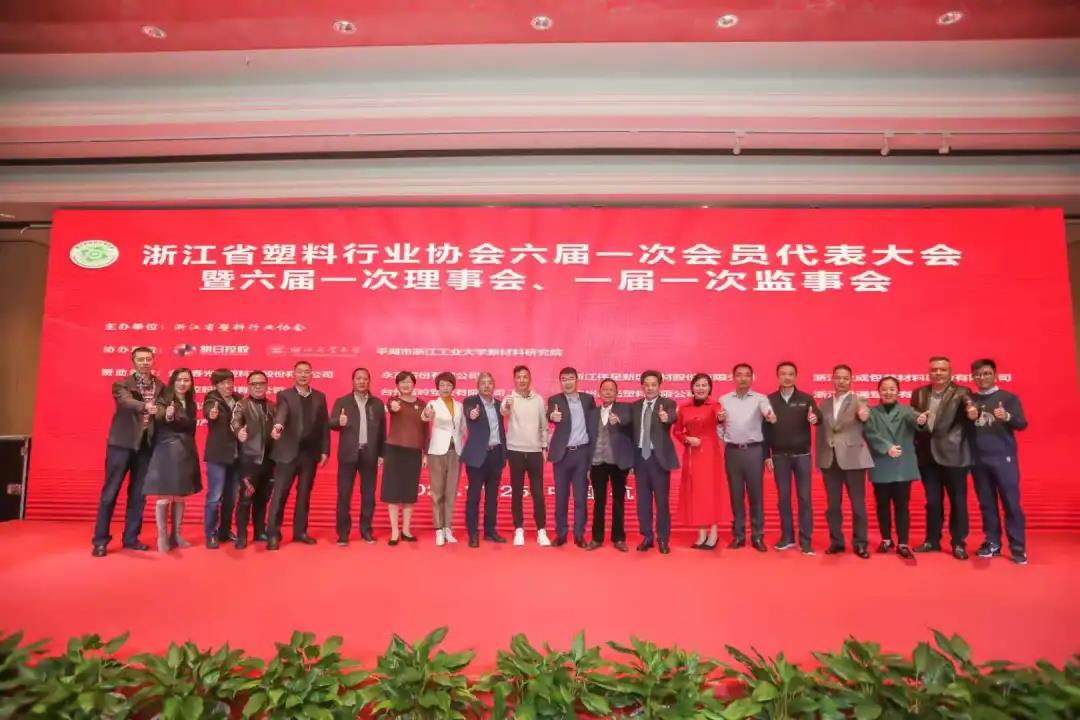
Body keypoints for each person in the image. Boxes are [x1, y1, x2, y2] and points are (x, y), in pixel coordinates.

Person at [92, 346, 165, 556]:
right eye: (140, 359)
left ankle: (131, 538)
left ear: (153, 360)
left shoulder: (160, 386)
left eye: (148, 359)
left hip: (145, 446)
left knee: (138, 496)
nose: (145, 362)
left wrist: (163, 411)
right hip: (121, 445)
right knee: (110, 493)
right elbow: (125, 402)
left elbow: (163, 407)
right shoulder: (121, 385)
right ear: (133, 362)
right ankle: (100, 541)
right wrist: (146, 406)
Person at [910, 356, 977, 560]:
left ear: (950, 372)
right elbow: (914, 420)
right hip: (927, 456)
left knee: (958, 501)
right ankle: (932, 540)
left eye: (942, 369)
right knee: (932, 502)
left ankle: (958, 543)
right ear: (929, 372)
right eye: (934, 370)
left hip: (954, 455)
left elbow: (970, 406)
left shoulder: (962, 392)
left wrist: (973, 412)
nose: (938, 373)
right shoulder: (919, 393)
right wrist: (917, 422)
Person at [968, 359, 1029, 565]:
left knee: (1011, 503)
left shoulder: (1009, 398)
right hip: (977, 460)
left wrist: (1008, 416)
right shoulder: (969, 400)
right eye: (978, 374)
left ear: (995, 375)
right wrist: (968, 417)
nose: (982, 377)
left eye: (986, 373)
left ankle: (1018, 547)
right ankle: (992, 543)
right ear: (973, 377)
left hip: (1003, 458)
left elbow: (1022, 424)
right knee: (986, 504)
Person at [266, 360, 329, 551]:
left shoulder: (320, 397)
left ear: (312, 374)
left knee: (304, 495)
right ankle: (273, 535)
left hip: (309, 454)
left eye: (307, 372)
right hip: (287, 453)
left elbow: (324, 426)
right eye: (300, 371)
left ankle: (300, 532)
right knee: (280, 494)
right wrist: (278, 426)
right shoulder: (285, 395)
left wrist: (325, 450)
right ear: (293, 374)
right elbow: (282, 413)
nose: (303, 375)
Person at [816, 364, 873, 559]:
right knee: (832, 506)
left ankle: (860, 543)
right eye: (838, 377)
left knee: (858, 505)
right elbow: (822, 431)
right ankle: (836, 542)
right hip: (829, 460)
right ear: (832, 379)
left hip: (853, 458)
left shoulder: (859, 400)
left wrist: (864, 414)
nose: (841, 381)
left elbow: (865, 414)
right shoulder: (823, 404)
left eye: (845, 378)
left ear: (851, 380)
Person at [718, 363, 776, 552]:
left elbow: (768, 413)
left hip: (754, 451)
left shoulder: (760, 398)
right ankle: (739, 536)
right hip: (732, 452)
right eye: (739, 375)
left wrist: (770, 415)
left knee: (755, 495)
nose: (743, 378)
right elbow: (719, 423)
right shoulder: (724, 399)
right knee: (736, 495)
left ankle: (757, 536)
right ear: (733, 377)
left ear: (752, 378)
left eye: (747, 375)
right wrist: (723, 434)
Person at [763, 361, 820, 555]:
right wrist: (766, 455)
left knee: (804, 498)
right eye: (783, 374)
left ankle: (806, 541)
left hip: (802, 456)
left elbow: (818, 417)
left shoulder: (806, 399)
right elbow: (764, 430)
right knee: (783, 498)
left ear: (796, 376)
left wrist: (815, 418)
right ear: (777, 376)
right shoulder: (769, 400)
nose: (787, 377)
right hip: (779, 457)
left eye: (790, 374)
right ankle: (787, 537)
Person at [143, 368, 202, 552]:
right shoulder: (164, 398)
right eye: (179, 380)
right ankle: (162, 537)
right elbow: (160, 415)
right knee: (164, 496)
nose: (183, 384)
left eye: (186, 380)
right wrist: (168, 415)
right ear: (173, 382)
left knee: (180, 495)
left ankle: (176, 535)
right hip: (167, 450)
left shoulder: (191, 403)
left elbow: (191, 428)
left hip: (186, 450)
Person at [863, 376, 920, 560]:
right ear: (878, 392)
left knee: (902, 506)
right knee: (882, 505)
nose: (888, 392)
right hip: (881, 463)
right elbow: (869, 433)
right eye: (884, 389)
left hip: (902, 465)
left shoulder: (907, 410)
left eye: (892, 389)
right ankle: (886, 539)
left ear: (898, 391)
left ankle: (903, 542)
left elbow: (917, 422)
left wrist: (921, 420)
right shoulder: (871, 413)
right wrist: (887, 447)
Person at [329, 367, 386, 546]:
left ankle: (366, 530)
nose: (362, 381)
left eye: (365, 378)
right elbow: (331, 422)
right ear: (353, 381)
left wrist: (382, 454)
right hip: (348, 454)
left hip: (370, 454)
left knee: (368, 495)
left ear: (369, 381)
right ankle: (343, 533)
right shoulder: (342, 401)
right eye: (358, 378)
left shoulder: (377, 404)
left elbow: (382, 431)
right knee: (344, 494)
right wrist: (339, 421)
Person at [672, 373, 729, 550]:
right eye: (697, 385)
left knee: (710, 492)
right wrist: (687, 439)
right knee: (696, 493)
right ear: (692, 387)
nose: (701, 388)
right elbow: (677, 431)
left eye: (704, 385)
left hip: (710, 454)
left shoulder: (715, 405)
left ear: (710, 388)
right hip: (692, 454)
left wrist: (721, 418)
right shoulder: (683, 408)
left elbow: (720, 418)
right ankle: (701, 534)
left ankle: (713, 534)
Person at [547, 367, 598, 549]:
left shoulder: (588, 400)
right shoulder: (555, 400)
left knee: (580, 498)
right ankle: (561, 534)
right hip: (562, 455)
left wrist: (593, 456)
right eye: (564, 379)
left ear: (577, 380)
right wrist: (552, 416)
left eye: (570, 378)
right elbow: (549, 414)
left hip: (582, 454)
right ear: (560, 382)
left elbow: (594, 427)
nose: (567, 382)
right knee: (561, 498)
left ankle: (579, 535)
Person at [630, 370, 679, 554]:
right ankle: (647, 537)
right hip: (640, 459)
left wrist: (667, 417)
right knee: (643, 502)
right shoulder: (635, 406)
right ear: (642, 386)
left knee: (661, 502)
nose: (650, 388)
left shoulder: (667, 403)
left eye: (653, 385)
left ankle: (663, 538)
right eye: (647, 385)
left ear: (659, 386)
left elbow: (673, 415)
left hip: (659, 460)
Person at [502, 365, 551, 547]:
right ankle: (519, 529)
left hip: (535, 452)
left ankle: (541, 530)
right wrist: (507, 405)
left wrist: (544, 447)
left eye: (525, 377)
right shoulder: (509, 398)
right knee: (516, 492)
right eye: (519, 377)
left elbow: (543, 425)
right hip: (515, 451)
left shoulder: (538, 400)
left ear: (530, 378)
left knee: (538, 493)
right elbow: (503, 411)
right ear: (514, 379)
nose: (522, 380)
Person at [461, 372, 508, 547]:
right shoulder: (470, 402)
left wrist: (505, 454)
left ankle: (490, 531)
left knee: (492, 497)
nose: (487, 386)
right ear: (478, 386)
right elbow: (469, 413)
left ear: (494, 385)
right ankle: (473, 533)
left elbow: (501, 430)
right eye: (483, 383)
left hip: (496, 455)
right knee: (474, 497)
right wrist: (472, 414)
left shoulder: (499, 405)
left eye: (489, 382)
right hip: (477, 457)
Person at [587, 378, 634, 552]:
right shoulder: (592, 413)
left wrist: (620, 421)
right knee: (599, 502)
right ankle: (597, 538)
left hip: (618, 463)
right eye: (604, 389)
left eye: (611, 389)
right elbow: (588, 438)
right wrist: (587, 464)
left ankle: (619, 538)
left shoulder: (625, 409)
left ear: (617, 393)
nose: (607, 392)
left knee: (618, 501)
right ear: (599, 393)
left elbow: (630, 425)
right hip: (597, 462)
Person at [230, 370, 276, 549]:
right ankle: (242, 535)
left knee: (263, 499)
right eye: (254, 384)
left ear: (266, 385)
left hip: (269, 461)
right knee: (245, 499)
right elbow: (235, 422)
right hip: (249, 461)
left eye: (261, 383)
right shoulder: (241, 405)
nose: (258, 387)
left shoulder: (273, 406)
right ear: (248, 386)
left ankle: (259, 531)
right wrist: (238, 432)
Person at [382, 371, 428, 545]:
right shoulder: (394, 401)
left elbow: (425, 430)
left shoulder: (422, 404)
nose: (406, 385)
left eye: (409, 382)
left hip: (414, 452)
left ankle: (406, 530)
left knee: (409, 493)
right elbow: (391, 406)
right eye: (402, 382)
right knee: (392, 492)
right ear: (397, 385)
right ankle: (394, 531)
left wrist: (425, 453)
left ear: (414, 384)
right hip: (394, 450)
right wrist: (392, 405)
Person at [422, 372, 465, 546]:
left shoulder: (460, 406)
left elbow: (463, 428)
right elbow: (425, 416)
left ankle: (448, 527)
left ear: (453, 387)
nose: (445, 388)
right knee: (437, 493)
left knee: (451, 492)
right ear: (437, 387)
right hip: (437, 451)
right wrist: (427, 414)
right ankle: (439, 529)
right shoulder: (433, 404)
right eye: (442, 385)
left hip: (456, 452)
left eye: (448, 385)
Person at [202, 368, 242, 549]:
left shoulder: (239, 398)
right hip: (218, 455)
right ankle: (211, 534)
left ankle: (224, 531)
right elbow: (209, 411)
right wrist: (211, 414)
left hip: (236, 455)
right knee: (215, 497)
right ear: (216, 385)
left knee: (231, 497)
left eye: (230, 382)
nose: (228, 386)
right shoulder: (212, 399)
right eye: (223, 383)